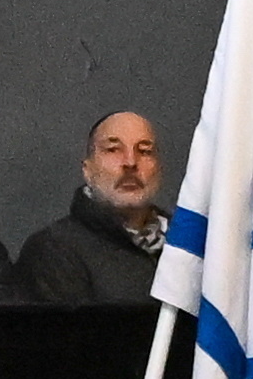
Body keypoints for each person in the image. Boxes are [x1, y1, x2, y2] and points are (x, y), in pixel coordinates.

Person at [17, 109, 171, 306]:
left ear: (159, 169)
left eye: (144, 151)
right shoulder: (53, 250)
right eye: (113, 150)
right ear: (87, 170)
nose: (131, 163)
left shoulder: (192, 247)